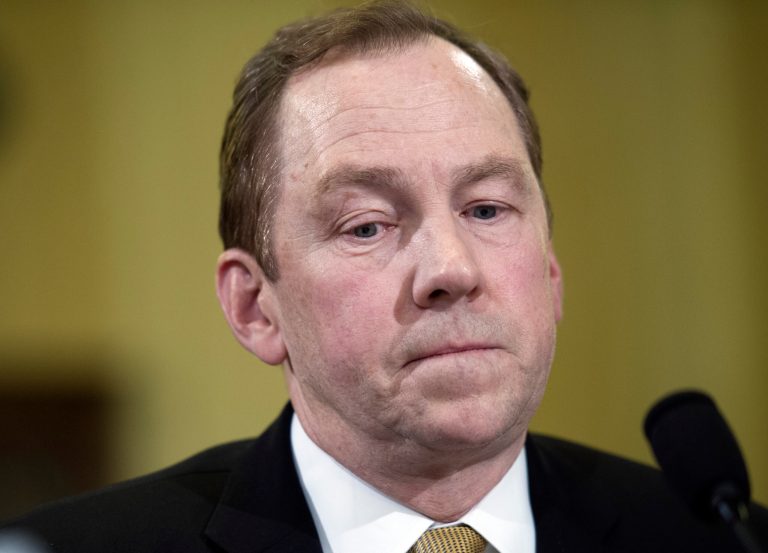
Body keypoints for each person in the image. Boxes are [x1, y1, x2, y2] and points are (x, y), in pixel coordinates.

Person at [2, 2, 766, 552]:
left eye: (488, 209)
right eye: (367, 225)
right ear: (255, 306)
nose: (452, 269)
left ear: (552, 270)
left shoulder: (717, 537)